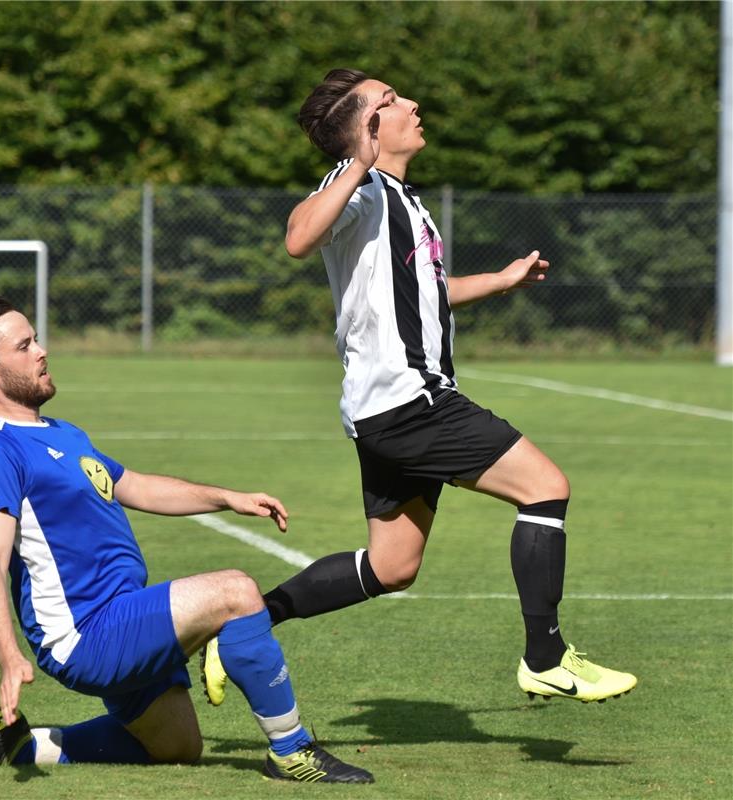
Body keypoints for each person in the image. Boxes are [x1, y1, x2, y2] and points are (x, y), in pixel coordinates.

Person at [201, 68, 637, 707]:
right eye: (390, 100)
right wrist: (354, 163)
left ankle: (245, 625)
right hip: (410, 401)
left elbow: (425, 295)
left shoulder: (402, 202)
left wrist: (499, 281)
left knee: (391, 567)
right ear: (367, 128)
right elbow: (298, 236)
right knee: (546, 488)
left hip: (388, 408)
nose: (411, 104)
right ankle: (545, 656)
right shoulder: (360, 188)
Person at [0, 297, 373, 784]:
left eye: (36, 339)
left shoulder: (61, 432)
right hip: (86, 635)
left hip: (125, 612)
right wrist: (8, 657)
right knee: (235, 591)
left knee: (176, 748)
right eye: (24, 345)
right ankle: (291, 752)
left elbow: (135, 486)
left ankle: (22, 744)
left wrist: (227, 496)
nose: (42, 351)